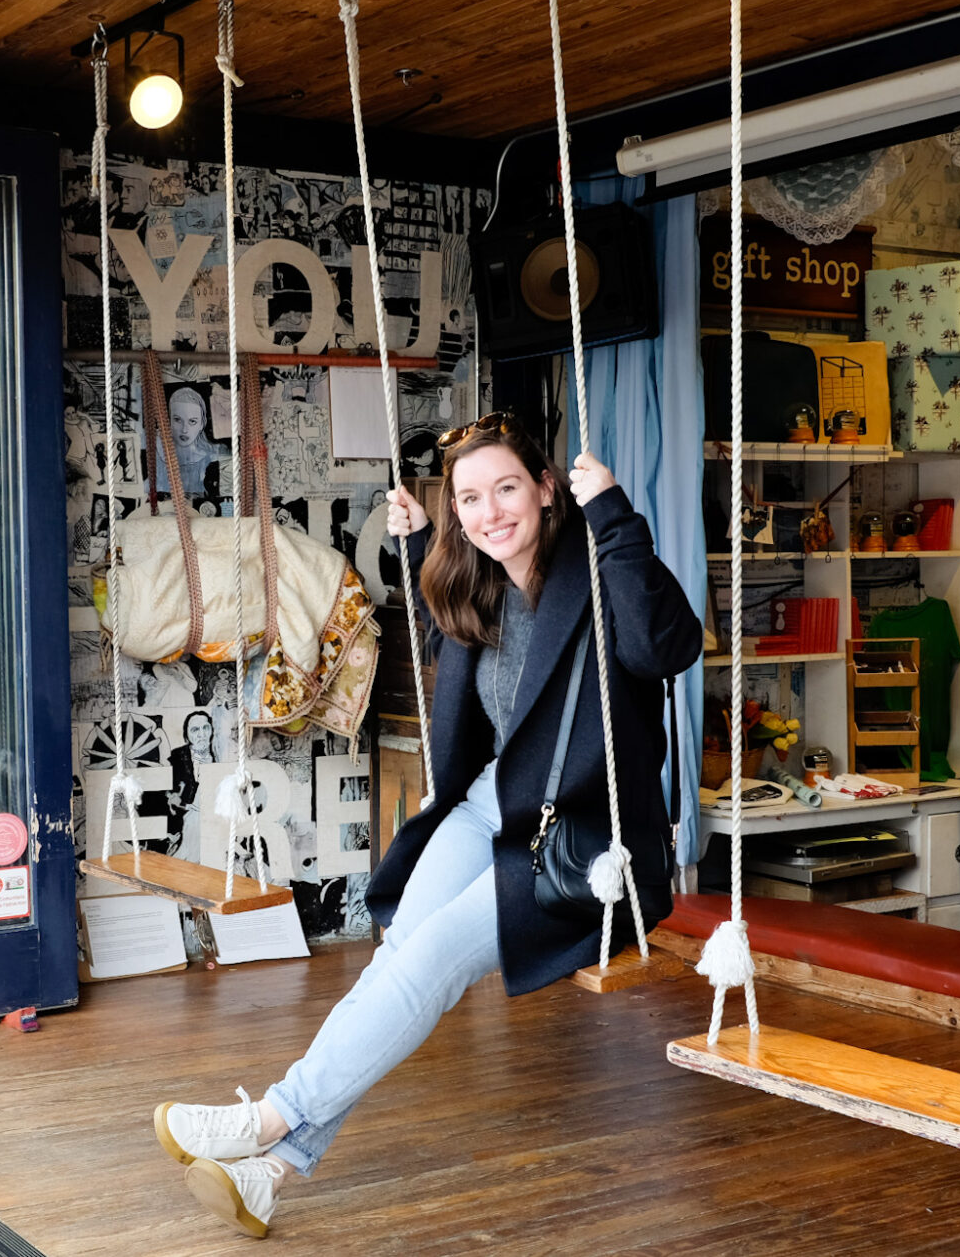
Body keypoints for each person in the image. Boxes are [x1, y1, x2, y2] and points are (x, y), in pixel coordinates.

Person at [153, 413, 699, 1239]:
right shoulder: (478, 584)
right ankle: (274, 1169)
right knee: (403, 951)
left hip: (582, 844)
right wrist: (417, 549)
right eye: (471, 499)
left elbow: (667, 644)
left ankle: (269, 1117)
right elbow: (458, 628)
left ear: (548, 490)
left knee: (433, 959)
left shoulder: (597, 569)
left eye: (507, 488)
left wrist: (616, 516)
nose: (490, 513)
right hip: (492, 805)